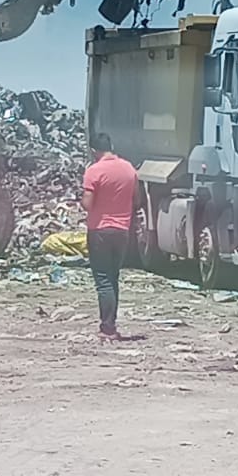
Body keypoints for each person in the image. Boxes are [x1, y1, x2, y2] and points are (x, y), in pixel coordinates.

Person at [81, 132, 137, 339]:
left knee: (103, 280)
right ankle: (111, 324)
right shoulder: (129, 169)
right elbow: (136, 197)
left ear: (94, 150)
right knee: (113, 278)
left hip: (100, 230)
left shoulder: (94, 171)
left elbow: (88, 203)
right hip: (122, 231)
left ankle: (107, 328)